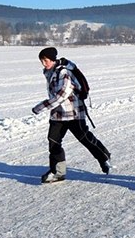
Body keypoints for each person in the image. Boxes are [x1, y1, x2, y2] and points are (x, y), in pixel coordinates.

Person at [32, 47, 112, 184]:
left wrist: (40, 107)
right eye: (41, 61)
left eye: (45, 60)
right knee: (53, 141)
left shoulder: (63, 72)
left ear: (52, 59)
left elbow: (62, 95)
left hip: (73, 112)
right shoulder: (49, 72)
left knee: (85, 138)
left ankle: (104, 156)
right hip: (58, 114)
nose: (44, 63)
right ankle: (58, 172)